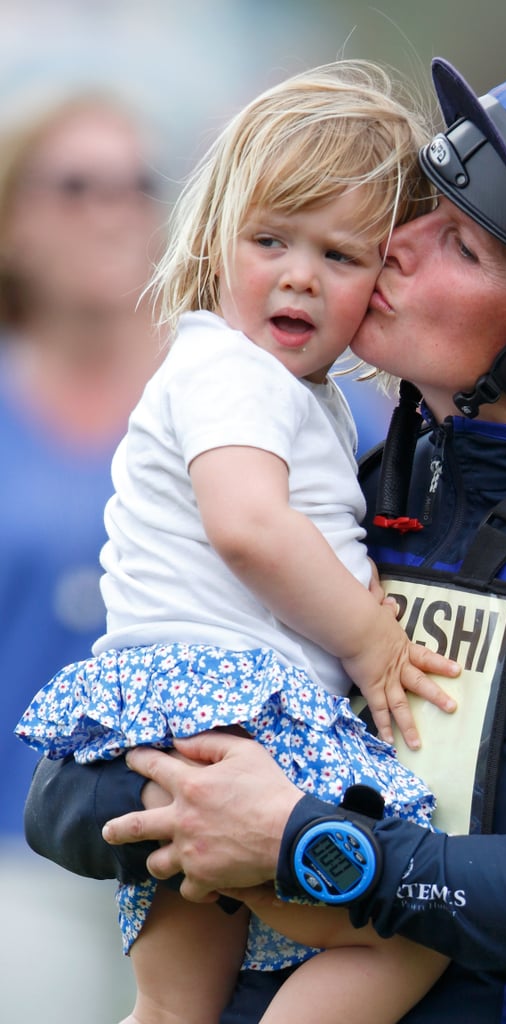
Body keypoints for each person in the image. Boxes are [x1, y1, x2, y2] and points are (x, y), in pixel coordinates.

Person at [24, 59, 506, 1024]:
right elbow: (64, 803)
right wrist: (183, 798)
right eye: (426, 206)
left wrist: (305, 842)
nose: (395, 243)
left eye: (462, 246)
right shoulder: (367, 477)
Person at [16, 61, 459, 1024]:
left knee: (176, 1005)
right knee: (413, 923)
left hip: (191, 712)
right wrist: (370, 638)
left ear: (382, 282)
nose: (300, 273)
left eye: (341, 258)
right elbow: (251, 527)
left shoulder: (281, 389)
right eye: (271, 240)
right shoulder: (235, 369)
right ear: (217, 240)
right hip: (232, 715)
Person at [0, 88, 165, 1021]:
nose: (111, 212)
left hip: (216, 867)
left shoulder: (232, 396)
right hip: (18, 868)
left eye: (134, 186)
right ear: (13, 222)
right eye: (75, 187)